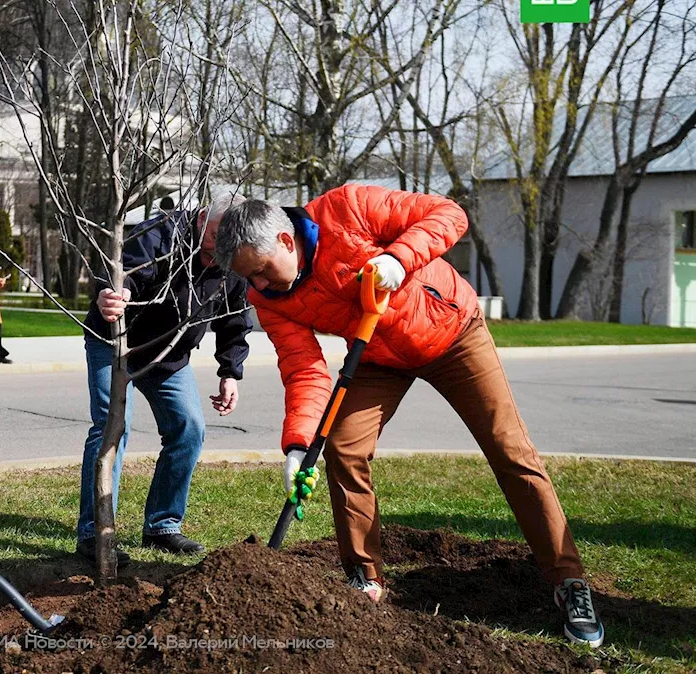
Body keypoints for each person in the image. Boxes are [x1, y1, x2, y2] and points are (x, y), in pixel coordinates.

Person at [212, 187, 605, 648]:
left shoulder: (347, 209)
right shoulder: (269, 298)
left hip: (453, 331)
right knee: (343, 447)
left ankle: (568, 582)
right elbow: (304, 368)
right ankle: (365, 578)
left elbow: (449, 214)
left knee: (509, 449)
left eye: (260, 271)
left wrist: (399, 258)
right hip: (377, 354)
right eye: (248, 279)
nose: (258, 286)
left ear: (284, 239)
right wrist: (299, 444)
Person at [76, 196, 252, 566]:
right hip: (117, 341)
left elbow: (234, 320)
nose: (222, 251)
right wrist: (115, 296)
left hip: (168, 356)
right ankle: (95, 533)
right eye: (217, 237)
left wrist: (229, 372)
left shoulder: (234, 255)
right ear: (203, 218)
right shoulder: (159, 234)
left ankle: (162, 524)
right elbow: (124, 279)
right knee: (112, 427)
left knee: (188, 429)